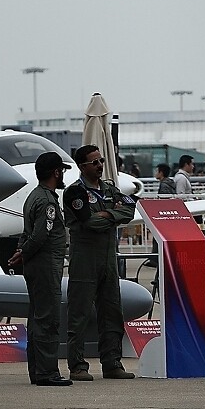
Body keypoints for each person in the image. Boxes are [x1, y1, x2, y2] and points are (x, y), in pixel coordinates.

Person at [63, 144, 137, 381]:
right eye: (94, 162)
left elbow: (129, 210)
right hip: (84, 258)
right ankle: (77, 365)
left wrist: (106, 215)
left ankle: (112, 363)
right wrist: (111, 216)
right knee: (80, 314)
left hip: (108, 259)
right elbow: (89, 223)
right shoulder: (75, 192)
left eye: (101, 161)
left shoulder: (109, 189)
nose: (99, 166)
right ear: (82, 166)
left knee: (112, 312)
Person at [8, 152, 73, 386]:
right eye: (61, 171)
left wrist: (21, 252)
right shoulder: (47, 201)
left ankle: (37, 370)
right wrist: (24, 252)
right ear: (56, 172)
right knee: (48, 319)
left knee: (36, 319)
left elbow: (26, 233)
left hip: (35, 266)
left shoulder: (32, 197)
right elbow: (40, 235)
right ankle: (48, 372)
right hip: (46, 265)